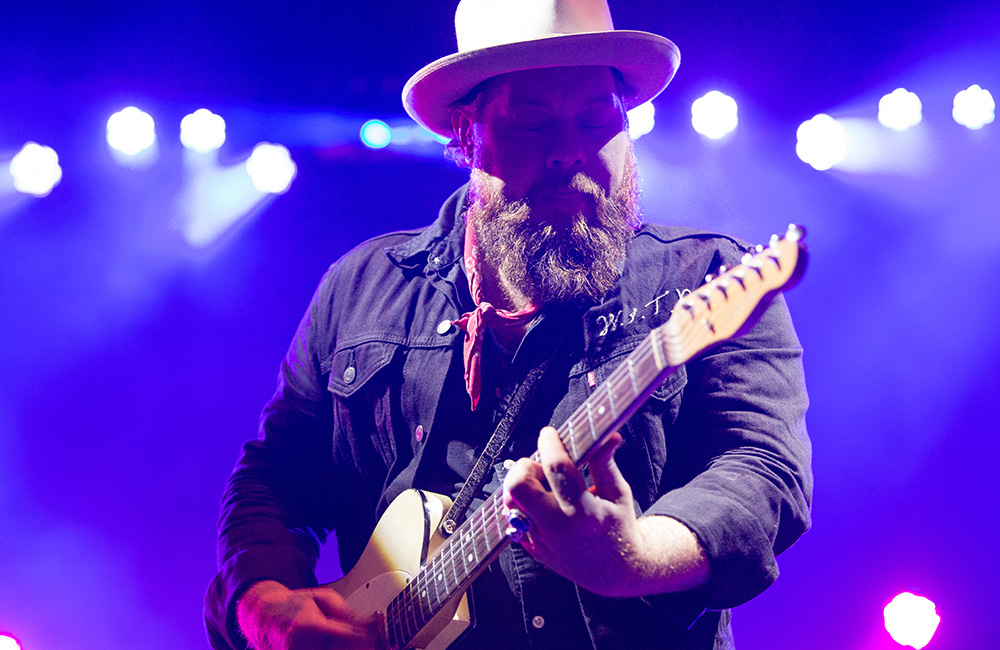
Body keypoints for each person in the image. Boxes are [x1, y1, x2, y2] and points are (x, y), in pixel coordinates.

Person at [205, 0, 812, 648]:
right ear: (465, 133)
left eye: (596, 120)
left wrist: (636, 557)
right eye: (531, 123)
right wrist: (264, 604)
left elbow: (763, 473)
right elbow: (274, 480)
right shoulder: (360, 289)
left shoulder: (706, 277)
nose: (569, 151)